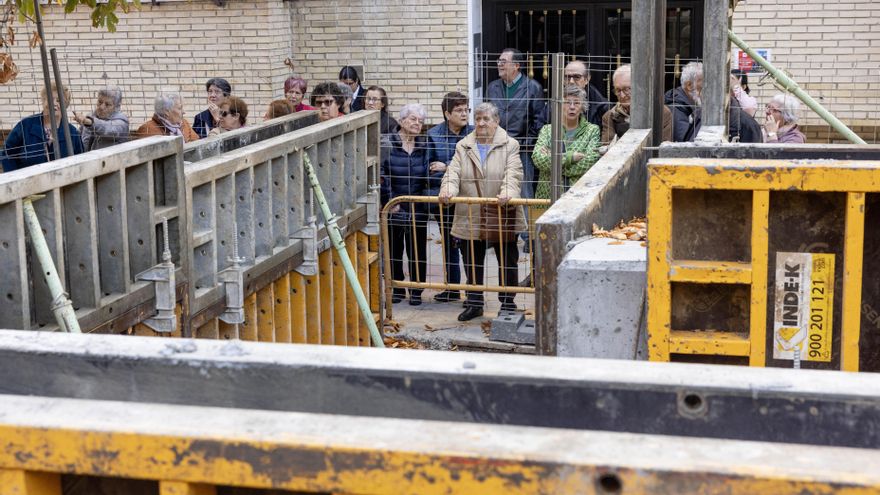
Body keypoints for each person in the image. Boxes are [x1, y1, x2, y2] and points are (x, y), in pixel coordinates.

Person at [439, 102, 525, 322]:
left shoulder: (510, 145)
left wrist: (508, 193)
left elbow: (513, 173)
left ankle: (507, 303)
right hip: (471, 212)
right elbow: (453, 172)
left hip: (501, 212)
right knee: (471, 261)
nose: (481, 123)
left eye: (486, 119)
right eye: (477, 119)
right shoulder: (463, 146)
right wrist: (447, 189)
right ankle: (475, 302)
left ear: (496, 121)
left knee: (507, 260)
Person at [426, 91, 473, 303]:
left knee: (469, 246)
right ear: (447, 113)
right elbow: (429, 168)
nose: (464, 114)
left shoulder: (474, 134)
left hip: (469, 199)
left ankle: (473, 290)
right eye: (459, 110)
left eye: (466, 110)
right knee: (448, 244)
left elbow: (477, 168)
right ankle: (453, 288)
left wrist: (447, 167)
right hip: (444, 200)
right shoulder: (434, 135)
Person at [381, 103, 430, 306]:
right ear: (401, 121)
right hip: (394, 204)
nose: (417, 124)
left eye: (420, 121)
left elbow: (429, 172)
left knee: (417, 249)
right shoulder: (387, 142)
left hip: (417, 205)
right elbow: (381, 174)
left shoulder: (424, 145)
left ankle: (417, 289)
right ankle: (397, 287)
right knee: (393, 248)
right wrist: (390, 200)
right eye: (413, 119)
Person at [485, 48, 544, 200]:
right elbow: (486, 116)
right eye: (498, 61)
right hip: (496, 147)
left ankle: (524, 225)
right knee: (495, 192)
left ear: (516, 65)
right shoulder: (492, 87)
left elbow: (539, 123)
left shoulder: (533, 88)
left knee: (522, 193)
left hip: (522, 150)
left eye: (503, 62)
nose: (499, 65)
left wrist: (525, 143)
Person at [665, 61, 762, 144]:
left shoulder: (697, 107)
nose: (709, 86)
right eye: (705, 82)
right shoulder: (677, 106)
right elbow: (686, 144)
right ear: (689, 85)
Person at [533, 85, 600, 201]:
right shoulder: (547, 130)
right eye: (567, 102)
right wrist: (570, 158)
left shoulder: (592, 130)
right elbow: (538, 159)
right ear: (559, 105)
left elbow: (590, 162)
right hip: (547, 197)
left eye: (577, 103)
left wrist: (552, 158)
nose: (572, 107)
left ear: (583, 107)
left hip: (579, 197)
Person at [2, 82, 84, 172]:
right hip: (29, 182)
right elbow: (7, 152)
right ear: (43, 101)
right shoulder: (26, 125)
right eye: (49, 99)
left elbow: (80, 161)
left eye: (59, 100)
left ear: (65, 105)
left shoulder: (72, 133)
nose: (54, 103)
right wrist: (14, 177)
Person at [601, 64, 673, 143]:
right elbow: (607, 148)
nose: (622, 95)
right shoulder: (610, 116)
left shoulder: (661, 113)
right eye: (618, 90)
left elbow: (662, 147)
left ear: (639, 87)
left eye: (627, 89)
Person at [535, 60, 610, 129]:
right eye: (567, 77)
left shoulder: (601, 106)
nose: (571, 81)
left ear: (587, 79)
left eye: (576, 77)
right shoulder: (554, 102)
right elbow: (540, 128)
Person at [73, 86, 130, 151]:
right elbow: (78, 139)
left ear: (116, 107)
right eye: (100, 102)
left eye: (107, 104)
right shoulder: (91, 116)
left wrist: (90, 122)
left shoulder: (122, 122)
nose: (101, 107)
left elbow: (109, 129)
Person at [136, 91, 200, 142]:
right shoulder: (148, 129)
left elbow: (197, 145)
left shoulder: (184, 123)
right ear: (167, 112)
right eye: (180, 108)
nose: (184, 112)